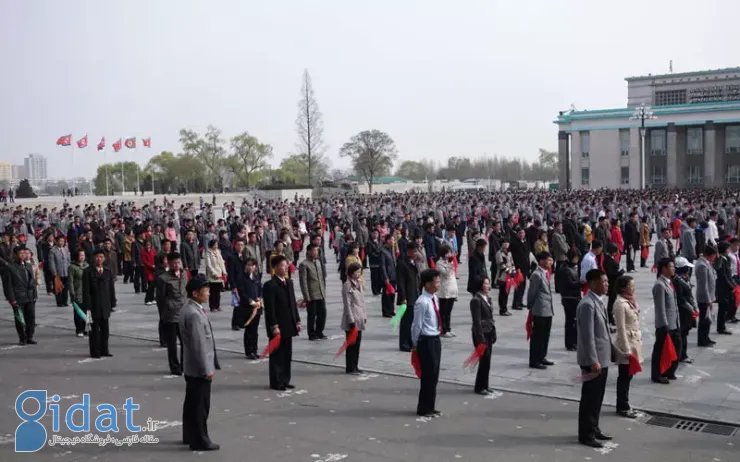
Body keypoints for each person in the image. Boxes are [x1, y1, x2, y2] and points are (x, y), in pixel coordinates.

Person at [180, 274, 220, 451]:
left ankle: (189, 435)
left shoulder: (189, 308)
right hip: (198, 368)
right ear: (195, 293)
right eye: (206, 291)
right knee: (200, 407)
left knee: (191, 404)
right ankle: (200, 440)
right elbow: (198, 344)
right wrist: (206, 368)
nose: (208, 293)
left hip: (191, 366)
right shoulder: (194, 314)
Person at [576, 268, 614, 448]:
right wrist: (593, 360)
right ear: (592, 283)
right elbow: (587, 336)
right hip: (594, 360)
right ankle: (586, 434)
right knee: (590, 397)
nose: (606, 284)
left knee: (598, 397)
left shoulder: (598, 301)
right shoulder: (587, 305)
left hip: (602, 357)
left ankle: (594, 427)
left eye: (607, 281)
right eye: (603, 282)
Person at [263, 255, 302, 391]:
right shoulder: (270, 285)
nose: (285, 268)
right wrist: (274, 326)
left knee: (287, 354)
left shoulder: (289, 283)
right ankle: (276, 381)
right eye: (282, 266)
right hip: (278, 326)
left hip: (288, 324)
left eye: (286, 265)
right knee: (277, 355)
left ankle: (285, 379)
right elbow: (270, 309)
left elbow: (293, 303)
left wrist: (297, 320)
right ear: (275, 268)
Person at [411, 268, 443, 418]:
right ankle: (423, 408)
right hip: (426, 340)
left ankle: (431, 405)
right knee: (428, 376)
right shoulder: (421, 302)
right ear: (427, 284)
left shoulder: (434, 298)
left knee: (434, 375)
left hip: (435, 338)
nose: (438, 284)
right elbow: (416, 325)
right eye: (436, 282)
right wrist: (415, 344)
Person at [612, 275, 642, 419]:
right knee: (624, 376)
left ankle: (625, 403)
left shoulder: (631, 301)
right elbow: (621, 328)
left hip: (634, 342)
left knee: (628, 376)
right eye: (631, 285)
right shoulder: (620, 304)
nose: (633, 288)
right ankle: (622, 406)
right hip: (627, 345)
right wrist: (626, 350)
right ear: (624, 287)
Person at [157, 252, 188, 375]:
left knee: (185, 342)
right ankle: (175, 367)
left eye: (178, 262)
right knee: (172, 344)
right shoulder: (163, 278)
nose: (176, 265)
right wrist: (165, 312)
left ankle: (185, 365)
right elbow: (161, 298)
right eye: (173, 263)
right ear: (169, 264)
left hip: (183, 313)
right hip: (170, 315)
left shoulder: (184, 274)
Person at [651, 258, 681, 384]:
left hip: (674, 323)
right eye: (671, 266)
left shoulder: (669, 282)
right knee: (660, 351)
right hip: (665, 325)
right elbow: (660, 308)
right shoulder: (660, 285)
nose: (673, 268)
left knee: (677, 348)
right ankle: (657, 374)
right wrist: (664, 326)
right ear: (664, 268)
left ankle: (669, 371)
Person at [83, 248, 116, 358]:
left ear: (104, 258)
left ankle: (104, 350)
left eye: (101, 257)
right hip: (94, 305)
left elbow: (111, 288)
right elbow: (86, 291)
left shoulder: (107, 271)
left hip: (105, 305)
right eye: (97, 257)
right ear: (93, 258)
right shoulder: (88, 272)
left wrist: (112, 302)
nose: (99, 259)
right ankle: (95, 351)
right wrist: (87, 306)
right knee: (94, 332)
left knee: (105, 331)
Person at [3, 246, 38, 345]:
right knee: (19, 318)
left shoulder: (28, 265)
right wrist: (11, 299)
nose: (23, 255)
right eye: (20, 253)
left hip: (30, 296)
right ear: (15, 255)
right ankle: (22, 338)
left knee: (31, 318)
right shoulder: (10, 267)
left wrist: (35, 295)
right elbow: (7, 285)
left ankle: (29, 336)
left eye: (24, 253)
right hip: (18, 297)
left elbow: (32, 282)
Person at [527, 251, 555, 369]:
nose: (551, 262)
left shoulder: (546, 273)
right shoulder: (536, 275)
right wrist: (530, 307)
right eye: (549, 260)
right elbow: (531, 293)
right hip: (539, 309)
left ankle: (542, 356)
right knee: (538, 336)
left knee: (545, 335)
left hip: (548, 309)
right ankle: (534, 360)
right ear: (542, 261)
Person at [470, 276, 495, 395]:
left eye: (488, 284)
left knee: (488, 360)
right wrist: (480, 338)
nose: (488, 286)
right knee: (484, 360)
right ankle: (479, 386)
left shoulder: (488, 298)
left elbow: (491, 317)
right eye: (485, 284)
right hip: (481, 333)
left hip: (489, 331)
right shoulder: (476, 300)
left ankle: (485, 384)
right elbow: (477, 321)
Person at [341, 262, 367, 375]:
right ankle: (350, 367)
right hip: (352, 318)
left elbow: (362, 301)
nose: (358, 274)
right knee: (351, 344)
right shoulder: (347, 285)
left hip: (359, 317)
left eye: (359, 272)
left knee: (357, 344)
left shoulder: (358, 283)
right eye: (356, 272)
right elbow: (347, 303)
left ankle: (355, 366)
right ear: (351, 273)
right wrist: (351, 319)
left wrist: (364, 315)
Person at [299, 243, 327, 340]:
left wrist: (323, 290)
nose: (316, 252)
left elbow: (321, 278)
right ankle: (311, 334)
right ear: (309, 251)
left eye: (317, 250)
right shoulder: (304, 264)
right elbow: (303, 282)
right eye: (314, 250)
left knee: (322, 313)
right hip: (311, 294)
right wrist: (306, 296)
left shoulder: (318, 262)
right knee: (312, 315)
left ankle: (319, 331)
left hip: (320, 292)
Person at [397, 242, 422, 351]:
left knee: (413, 321)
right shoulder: (402, 263)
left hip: (415, 294)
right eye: (415, 251)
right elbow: (400, 283)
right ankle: (404, 344)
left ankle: (411, 342)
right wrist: (403, 298)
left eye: (417, 251)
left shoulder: (414, 262)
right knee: (406, 322)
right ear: (409, 251)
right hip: (407, 297)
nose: (416, 253)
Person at [237, 258, 263, 359]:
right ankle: (249, 351)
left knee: (255, 330)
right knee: (249, 330)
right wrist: (250, 301)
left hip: (257, 306)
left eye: (252, 265)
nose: (250, 267)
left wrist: (259, 298)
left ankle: (254, 350)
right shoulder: (242, 277)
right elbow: (242, 292)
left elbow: (260, 289)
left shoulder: (256, 277)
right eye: (248, 265)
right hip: (247, 307)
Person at [673, 256, 698, 363]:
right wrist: (691, 308)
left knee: (685, 333)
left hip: (688, 310)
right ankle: (681, 355)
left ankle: (683, 354)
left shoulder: (684, 279)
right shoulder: (677, 281)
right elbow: (681, 298)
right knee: (682, 333)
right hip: (683, 311)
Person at [557, 248, 582, 351]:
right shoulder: (566, 269)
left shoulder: (571, 268)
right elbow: (569, 284)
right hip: (570, 298)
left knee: (571, 321)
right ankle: (571, 342)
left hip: (572, 297)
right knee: (571, 321)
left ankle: (573, 342)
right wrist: (581, 283)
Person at [694, 246, 717, 347]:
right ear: (710, 255)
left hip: (709, 296)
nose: (714, 258)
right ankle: (702, 340)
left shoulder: (706, 263)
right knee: (704, 320)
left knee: (707, 320)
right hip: (704, 298)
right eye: (714, 256)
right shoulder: (702, 265)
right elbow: (704, 285)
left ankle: (706, 337)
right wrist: (708, 299)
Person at [714, 241, 736, 336]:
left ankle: (722, 326)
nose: (729, 250)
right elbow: (723, 275)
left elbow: (728, 275)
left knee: (725, 306)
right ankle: (721, 327)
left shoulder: (726, 259)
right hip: (722, 287)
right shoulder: (720, 260)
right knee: (722, 307)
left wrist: (732, 284)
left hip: (727, 287)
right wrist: (731, 285)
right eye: (728, 248)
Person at [436, 246, 458, 337]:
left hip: (452, 289)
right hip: (444, 290)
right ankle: (443, 329)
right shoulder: (439, 263)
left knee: (449, 311)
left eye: (450, 252)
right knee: (443, 311)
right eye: (448, 253)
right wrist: (450, 264)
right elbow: (446, 274)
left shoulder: (450, 262)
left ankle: (448, 328)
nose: (450, 254)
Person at [68, 249, 88, 337]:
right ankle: (79, 329)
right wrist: (72, 293)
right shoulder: (72, 267)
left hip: (86, 292)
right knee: (78, 312)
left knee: (85, 311)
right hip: (77, 292)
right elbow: (70, 282)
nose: (82, 257)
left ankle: (84, 329)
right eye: (80, 255)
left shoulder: (87, 266)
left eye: (83, 255)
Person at [48, 235, 71, 307]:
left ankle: (65, 301)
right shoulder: (52, 251)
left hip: (66, 272)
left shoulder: (66, 249)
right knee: (58, 288)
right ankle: (59, 302)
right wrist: (54, 272)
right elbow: (52, 263)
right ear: (56, 241)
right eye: (60, 241)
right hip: (58, 272)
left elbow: (68, 260)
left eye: (63, 241)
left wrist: (69, 269)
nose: (62, 243)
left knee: (66, 288)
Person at [205, 240, 227, 313]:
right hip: (212, 275)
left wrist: (224, 272)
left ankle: (217, 305)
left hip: (219, 274)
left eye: (217, 244)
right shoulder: (208, 253)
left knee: (218, 292)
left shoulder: (218, 252)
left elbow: (222, 263)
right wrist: (214, 273)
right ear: (212, 245)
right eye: (215, 244)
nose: (217, 246)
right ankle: (212, 306)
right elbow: (208, 265)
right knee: (213, 292)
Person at [494, 239, 514, 316]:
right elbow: (501, 265)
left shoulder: (509, 253)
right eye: (504, 242)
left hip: (509, 277)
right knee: (502, 293)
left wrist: (514, 271)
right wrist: (509, 271)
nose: (506, 244)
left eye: (507, 242)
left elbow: (512, 263)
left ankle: (505, 308)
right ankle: (502, 309)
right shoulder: (499, 253)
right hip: (502, 276)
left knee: (507, 293)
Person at [379, 234, 397, 318]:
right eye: (392, 240)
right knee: (386, 295)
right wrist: (385, 277)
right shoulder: (383, 251)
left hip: (393, 275)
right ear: (388, 240)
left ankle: (391, 309)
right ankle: (386, 311)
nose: (394, 242)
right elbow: (382, 266)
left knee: (392, 294)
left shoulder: (392, 249)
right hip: (387, 277)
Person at [141, 239, 157, 305]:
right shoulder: (143, 251)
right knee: (150, 285)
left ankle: (153, 298)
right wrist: (152, 266)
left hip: (154, 270)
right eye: (147, 245)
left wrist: (155, 266)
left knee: (153, 285)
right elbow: (144, 261)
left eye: (149, 244)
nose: (148, 246)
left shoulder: (153, 251)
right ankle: (147, 299)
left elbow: (155, 258)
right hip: (147, 270)